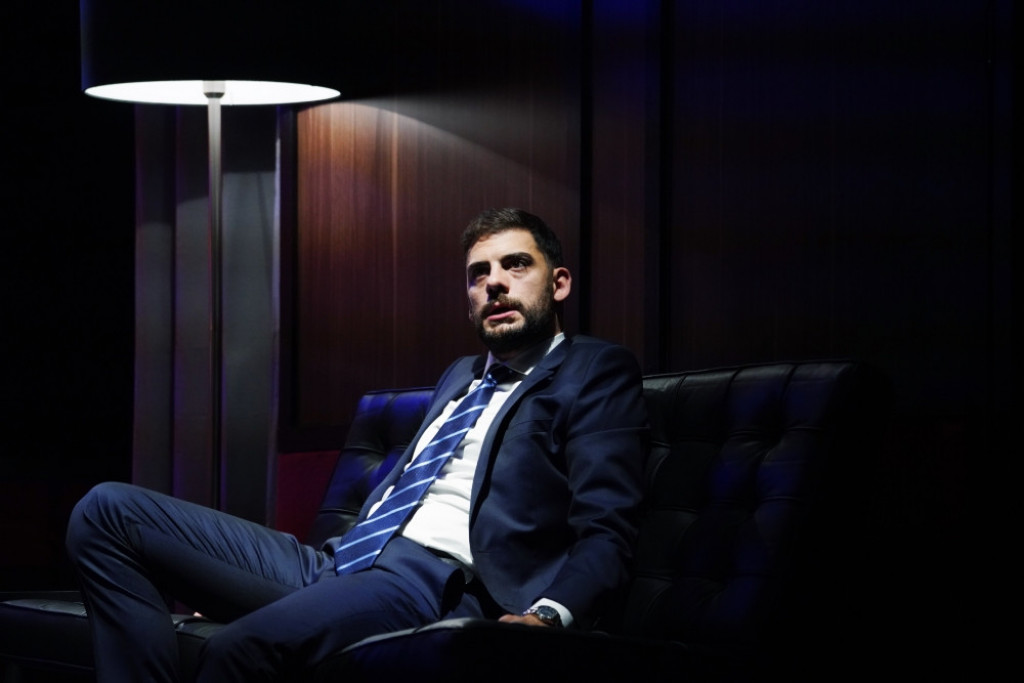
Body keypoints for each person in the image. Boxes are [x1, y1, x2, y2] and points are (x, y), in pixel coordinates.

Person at [66, 207, 648, 682]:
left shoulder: (594, 370)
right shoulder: (459, 376)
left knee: (236, 650)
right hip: (338, 562)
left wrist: (549, 615)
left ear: (558, 283)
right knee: (106, 512)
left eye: (516, 265)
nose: (494, 281)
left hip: (431, 579)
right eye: (478, 273)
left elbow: (607, 528)